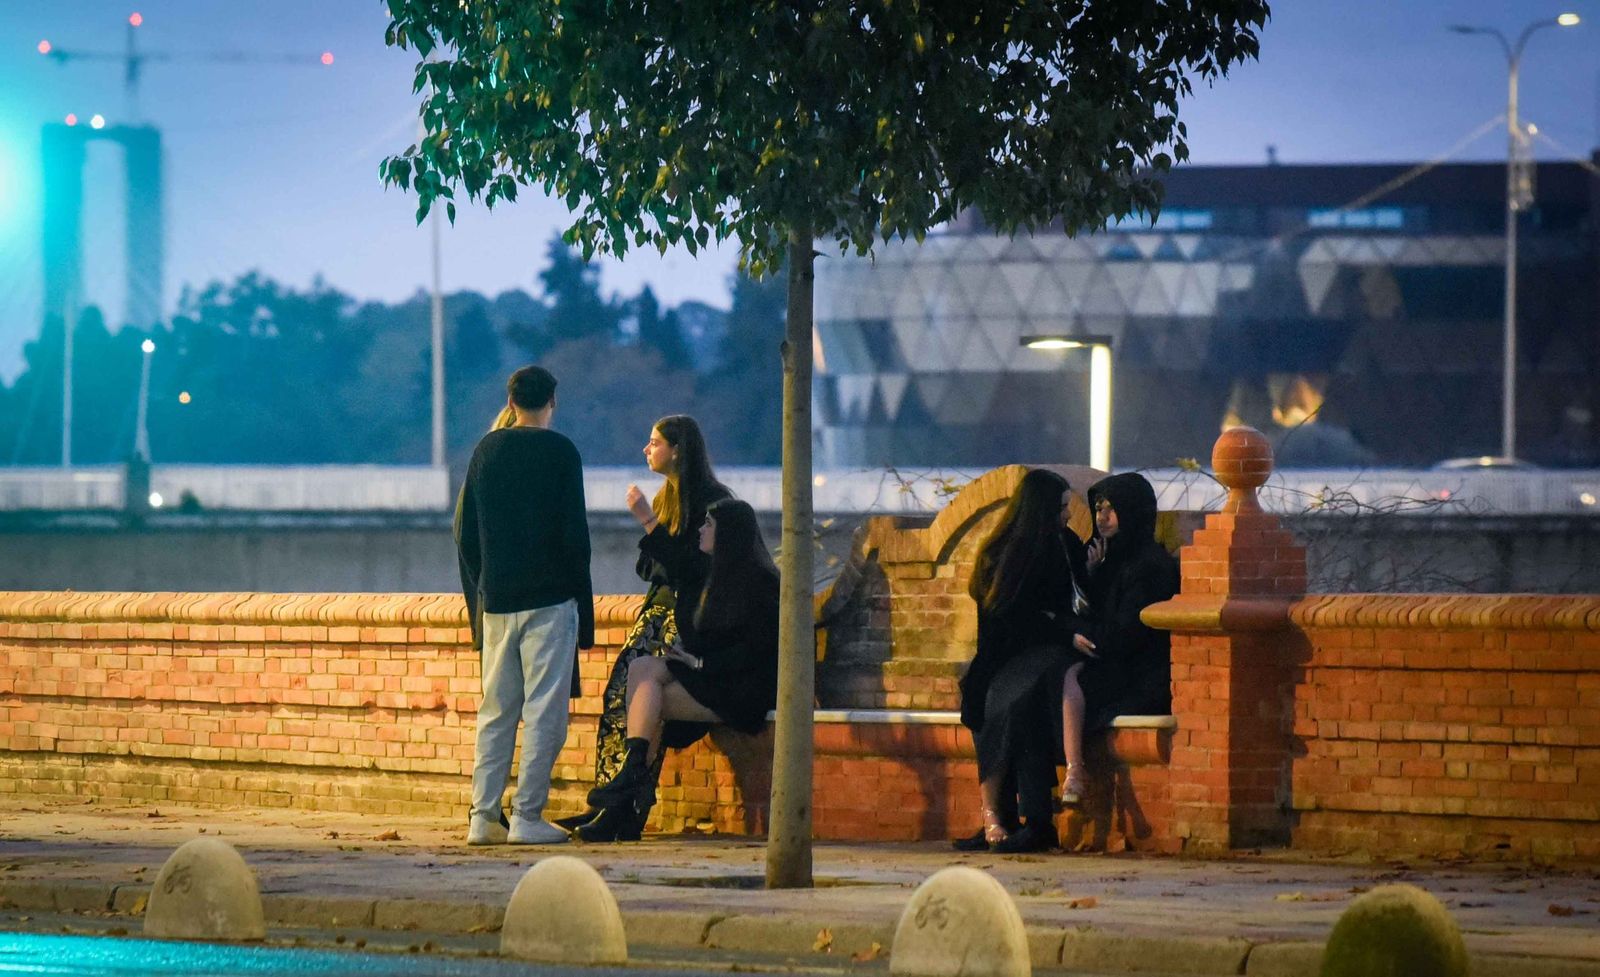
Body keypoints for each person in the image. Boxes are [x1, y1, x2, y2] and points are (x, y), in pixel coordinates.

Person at [558, 415, 731, 842]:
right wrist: (658, 536)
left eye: (654, 442)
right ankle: (611, 805)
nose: (646, 449)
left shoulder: (714, 504)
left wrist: (649, 524)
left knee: (638, 698)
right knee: (619, 698)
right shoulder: (669, 497)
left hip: (680, 622)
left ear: (678, 450)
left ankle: (626, 808)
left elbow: (691, 571)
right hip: (652, 616)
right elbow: (650, 566)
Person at [456, 365, 594, 846]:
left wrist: (482, 590)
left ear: (510, 402)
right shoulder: (561, 454)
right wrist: (586, 613)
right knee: (544, 712)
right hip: (550, 601)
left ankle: (483, 816)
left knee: (496, 711)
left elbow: (466, 533)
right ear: (551, 401)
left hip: (497, 601)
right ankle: (528, 815)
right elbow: (575, 538)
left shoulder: (485, 451)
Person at [584, 498, 780, 828]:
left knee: (649, 702)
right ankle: (629, 793)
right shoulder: (709, 577)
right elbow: (676, 565)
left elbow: (753, 653)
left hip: (741, 692)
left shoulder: (760, 583)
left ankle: (625, 801)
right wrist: (690, 658)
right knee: (642, 669)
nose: (701, 530)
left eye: (708, 525)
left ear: (727, 534)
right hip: (711, 679)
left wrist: (699, 662)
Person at [954, 468, 1094, 854]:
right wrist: (1055, 628)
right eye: (1062, 507)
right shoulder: (1001, 552)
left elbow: (1073, 602)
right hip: (1003, 655)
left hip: (1043, 655)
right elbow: (1008, 616)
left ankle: (1028, 819)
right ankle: (996, 816)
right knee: (991, 706)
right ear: (1042, 508)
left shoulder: (1065, 545)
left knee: (1022, 709)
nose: (1068, 515)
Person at [1076, 472, 1180, 735]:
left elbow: (1124, 635)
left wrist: (1077, 634)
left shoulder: (1150, 565)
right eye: (1099, 508)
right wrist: (1092, 575)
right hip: (1113, 668)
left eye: (1113, 509)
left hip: (1139, 679)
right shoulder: (1109, 561)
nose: (1102, 517)